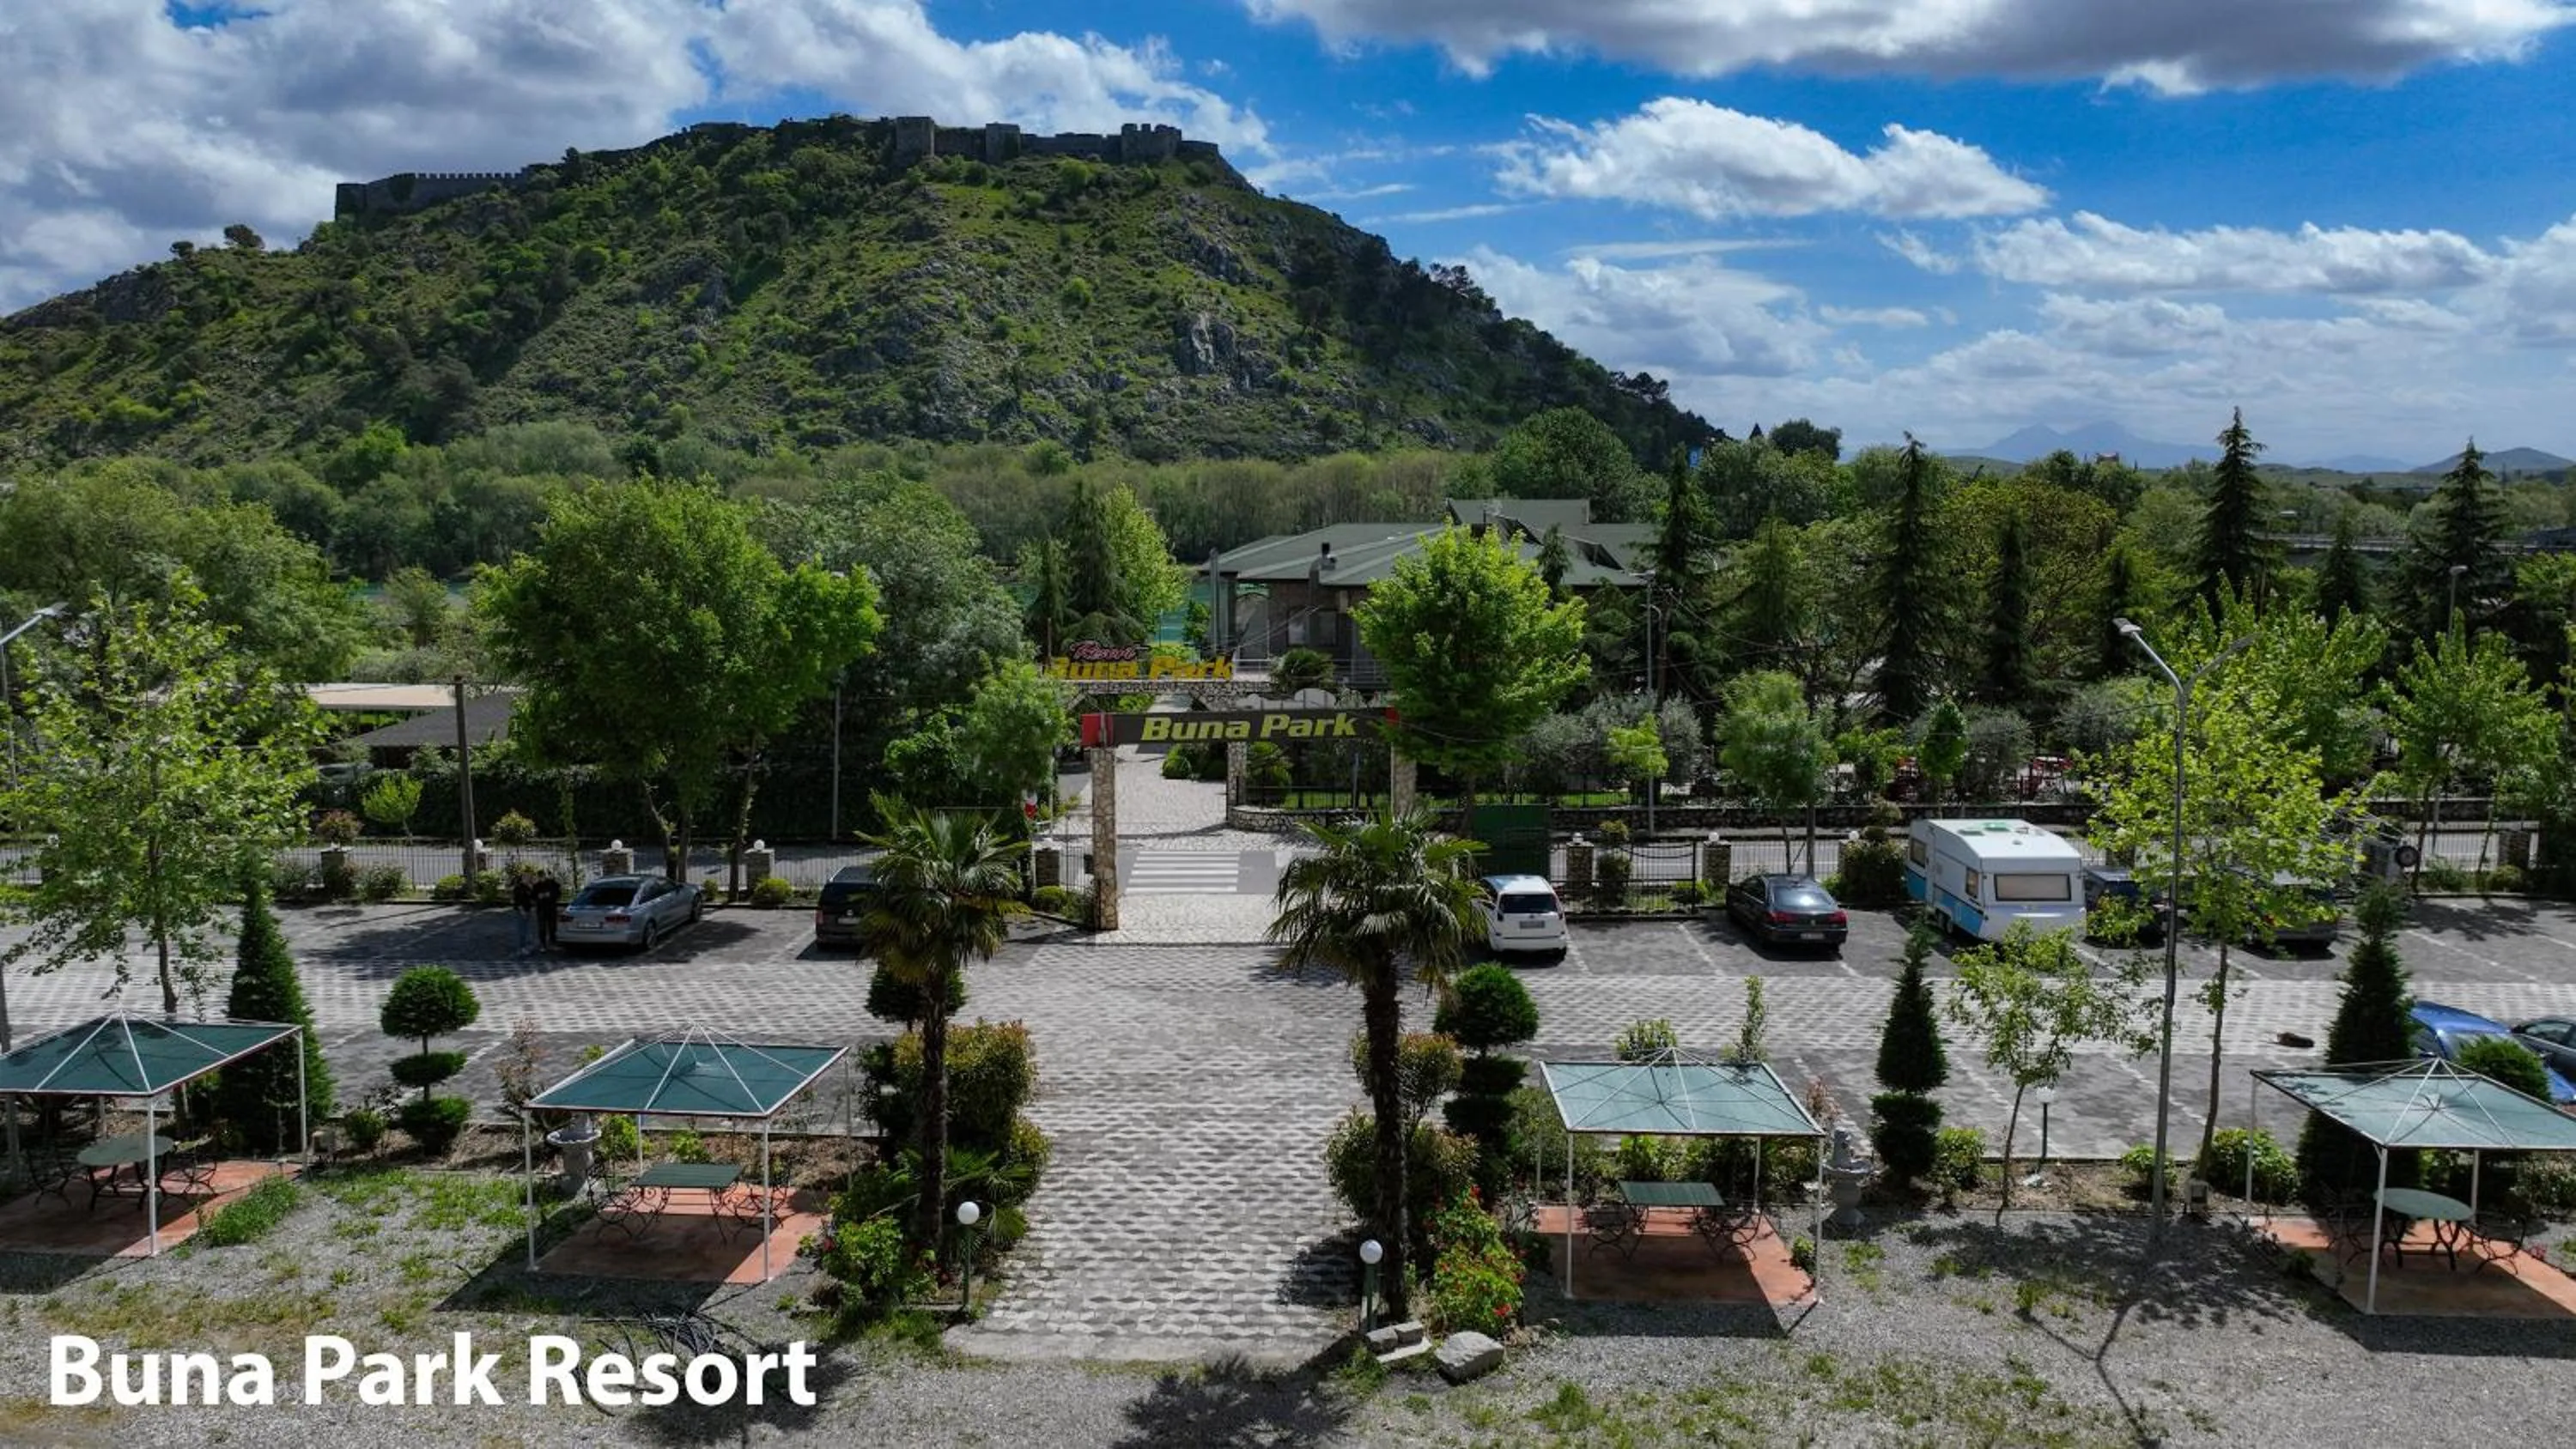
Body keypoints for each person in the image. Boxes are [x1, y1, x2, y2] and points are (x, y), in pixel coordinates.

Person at [532, 871, 562, 950]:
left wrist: (550, 895)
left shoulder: (552, 883)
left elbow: (558, 893)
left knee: (552, 927)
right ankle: (543, 945)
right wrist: (538, 896)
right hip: (541, 909)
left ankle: (552, 943)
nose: (541, 878)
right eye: (540, 877)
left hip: (551, 908)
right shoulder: (536, 886)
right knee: (542, 928)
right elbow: (533, 896)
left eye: (543, 876)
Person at [509, 870, 535, 955]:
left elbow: (531, 898)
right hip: (521, 911)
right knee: (521, 930)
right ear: (524, 878)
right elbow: (518, 901)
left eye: (530, 878)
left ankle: (526, 946)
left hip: (528, 909)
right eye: (528, 878)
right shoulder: (519, 888)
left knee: (527, 929)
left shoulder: (528, 887)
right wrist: (522, 911)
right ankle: (521, 947)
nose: (530, 879)